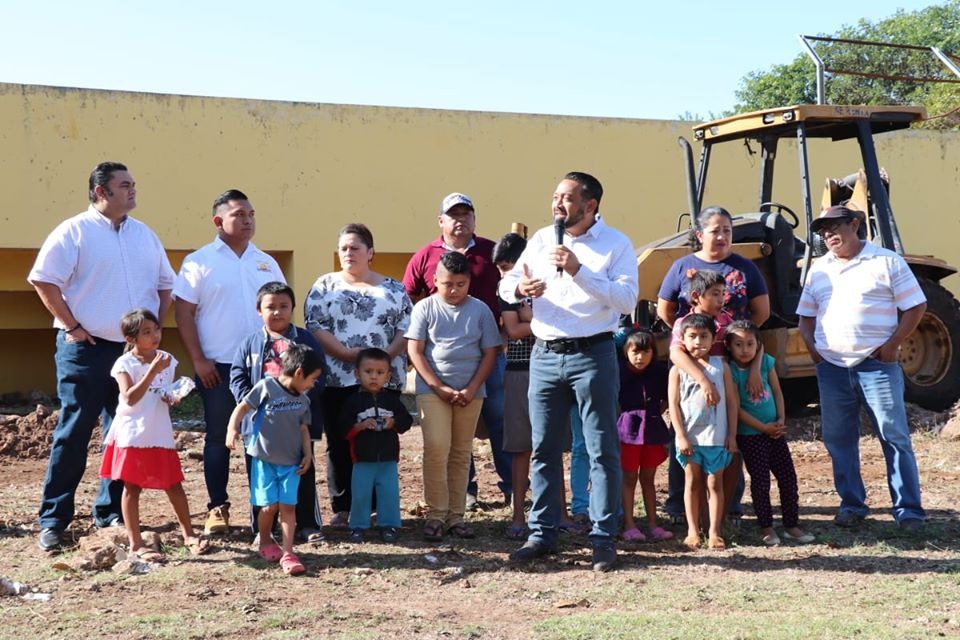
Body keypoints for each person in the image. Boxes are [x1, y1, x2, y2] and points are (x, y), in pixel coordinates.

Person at [29, 161, 176, 551]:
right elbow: (43, 279)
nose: (133, 190)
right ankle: (54, 520)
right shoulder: (73, 231)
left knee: (123, 434)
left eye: (133, 184)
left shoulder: (145, 235)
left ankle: (110, 515)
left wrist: (151, 333)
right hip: (86, 347)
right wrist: (73, 327)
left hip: (133, 353)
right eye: (124, 185)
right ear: (100, 192)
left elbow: (165, 286)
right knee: (75, 431)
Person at [500, 171, 638, 572]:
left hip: (593, 355)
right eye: (555, 196)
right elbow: (507, 284)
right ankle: (542, 533)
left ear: (590, 205)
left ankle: (602, 536)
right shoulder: (542, 239)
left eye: (566, 197)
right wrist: (519, 291)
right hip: (543, 355)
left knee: (600, 448)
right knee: (543, 448)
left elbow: (627, 299)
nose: (557, 203)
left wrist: (580, 270)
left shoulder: (617, 244)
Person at [797, 205, 927, 533]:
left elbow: (916, 305)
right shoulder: (818, 270)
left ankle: (908, 511)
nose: (828, 235)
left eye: (834, 227)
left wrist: (893, 345)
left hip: (876, 366)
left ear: (855, 224)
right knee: (839, 439)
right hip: (833, 369)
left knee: (893, 435)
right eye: (823, 231)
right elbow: (805, 318)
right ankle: (852, 505)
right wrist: (816, 352)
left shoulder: (885, 261)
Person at [174, 189, 286, 536]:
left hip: (263, 366)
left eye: (251, 213)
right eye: (239, 214)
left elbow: (281, 311)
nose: (248, 219)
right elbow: (184, 312)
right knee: (219, 437)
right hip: (217, 367)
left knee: (263, 437)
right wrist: (198, 359)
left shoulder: (266, 262)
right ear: (218, 221)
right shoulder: (199, 261)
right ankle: (217, 508)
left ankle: (261, 509)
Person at [657, 205, 770, 526]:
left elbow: (759, 315)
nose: (722, 236)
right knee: (685, 431)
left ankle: (729, 506)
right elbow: (666, 313)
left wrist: (736, 345)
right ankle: (680, 505)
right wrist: (693, 345)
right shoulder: (682, 267)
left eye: (727, 231)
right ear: (699, 234)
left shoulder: (745, 267)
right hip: (689, 365)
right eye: (715, 230)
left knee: (730, 433)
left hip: (729, 363)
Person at [403, 193, 512, 508]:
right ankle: (465, 493)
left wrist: (507, 327)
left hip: (489, 353)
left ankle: (513, 488)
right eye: (454, 215)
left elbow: (512, 286)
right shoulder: (424, 256)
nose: (460, 220)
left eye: (467, 214)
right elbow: (407, 297)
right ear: (441, 221)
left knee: (500, 417)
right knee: (447, 433)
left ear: (475, 219)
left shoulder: (491, 252)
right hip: (440, 361)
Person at [304, 223, 412, 528]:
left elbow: (407, 327)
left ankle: (379, 507)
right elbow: (316, 326)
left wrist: (383, 359)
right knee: (339, 440)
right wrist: (348, 355)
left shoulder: (393, 289)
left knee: (378, 438)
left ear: (370, 252)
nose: (348, 253)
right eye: (343, 248)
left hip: (383, 378)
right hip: (338, 378)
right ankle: (343, 507)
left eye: (354, 247)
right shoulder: (324, 286)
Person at [99, 309, 209, 561]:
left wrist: (173, 395)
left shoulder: (167, 360)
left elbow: (160, 394)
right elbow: (130, 397)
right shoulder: (124, 364)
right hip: (133, 433)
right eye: (146, 332)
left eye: (156, 329)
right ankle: (136, 544)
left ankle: (189, 534)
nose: (154, 336)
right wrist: (151, 370)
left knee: (173, 484)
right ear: (131, 339)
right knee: (132, 487)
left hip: (158, 430)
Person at [406, 251, 501, 542]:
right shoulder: (424, 308)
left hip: (471, 392)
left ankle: (456, 517)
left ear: (469, 282)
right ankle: (435, 514)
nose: (454, 290)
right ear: (435, 281)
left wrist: (472, 388)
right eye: (448, 284)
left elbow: (490, 352)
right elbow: (415, 351)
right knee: (437, 447)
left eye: (461, 284)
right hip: (433, 391)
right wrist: (438, 387)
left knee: (461, 452)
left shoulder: (481, 310)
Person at [230, 282, 328, 543]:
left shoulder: (305, 340)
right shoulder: (250, 342)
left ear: (292, 309)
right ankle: (263, 529)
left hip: (296, 423)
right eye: (270, 307)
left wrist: (302, 398)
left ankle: (307, 524)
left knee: (302, 472)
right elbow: (237, 375)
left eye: (283, 306)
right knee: (260, 477)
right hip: (261, 427)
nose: (277, 312)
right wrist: (250, 402)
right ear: (258, 310)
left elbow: (320, 374)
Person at [225, 343, 322, 576]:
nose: (313, 384)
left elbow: (303, 428)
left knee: (288, 506)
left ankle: (288, 552)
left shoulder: (304, 400)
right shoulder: (266, 386)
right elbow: (243, 407)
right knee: (269, 507)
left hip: (291, 463)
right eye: (313, 379)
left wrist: (308, 454)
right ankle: (265, 540)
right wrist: (232, 429)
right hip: (264, 460)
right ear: (299, 373)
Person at [725, 320, 814, 545]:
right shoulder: (731, 371)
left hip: (775, 431)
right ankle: (766, 527)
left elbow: (776, 390)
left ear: (758, 345)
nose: (744, 350)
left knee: (788, 477)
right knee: (761, 481)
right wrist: (762, 427)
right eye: (738, 344)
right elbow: (737, 408)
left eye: (749, 344)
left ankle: (791, 524)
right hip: (751, 434)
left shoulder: (766, 362)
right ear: (729, 346)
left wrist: (781, 419)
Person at [669, 269, 742, 518]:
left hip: (726, 395)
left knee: (729, 455)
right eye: (715, 294)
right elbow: (676, 354)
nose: (721, 299)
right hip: (693, 399)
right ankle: (693, 519)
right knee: (692, 465)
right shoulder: (684, 323)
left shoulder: (726, 321)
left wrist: (754, 370)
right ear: (696, 296)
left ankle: (724, 516)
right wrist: (703, 380)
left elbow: (750, 342)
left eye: (723, 293)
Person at [668, 313, 738, 551]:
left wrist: (731, 435)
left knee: (714, 483)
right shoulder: (678, 370)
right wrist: (680, 435)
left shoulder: (722, 367)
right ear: (683, 339)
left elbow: (731, 402)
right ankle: (692, 531)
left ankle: (715, 532)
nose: (698, 342)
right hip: (690, 440)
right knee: (692, 482)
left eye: (704, 336)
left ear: (713, 338)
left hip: (717, 438)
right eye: (692, 337)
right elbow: (673, 405)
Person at [338, 348, 414, 543]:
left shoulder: (391, 400)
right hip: (362, 458)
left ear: (388, 376)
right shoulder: (352, 401)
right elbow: (342, 428)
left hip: (388, 458)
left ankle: (389, 525)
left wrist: (393, 422)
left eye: (380, 373)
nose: (374, 377)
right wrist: (360, 426)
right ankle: (358, 526)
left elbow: (406, 421)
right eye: (368, 372)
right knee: (361, 494)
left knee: (389, 493)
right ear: (357, 373)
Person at [618, 330, 674, 542]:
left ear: (653, 352)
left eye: (646, 352)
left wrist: (655, 412)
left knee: (649, 479)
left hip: (652, 430)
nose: (640, 357)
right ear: (626, 351)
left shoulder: (659, 372)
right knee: (629, 477)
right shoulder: (619, 372)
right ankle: (629, 525)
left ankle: (653, 524)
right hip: (627, 431)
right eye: (635, 352)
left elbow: (666, 397)